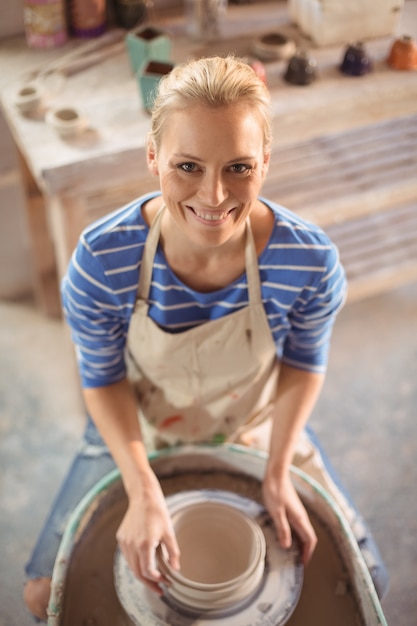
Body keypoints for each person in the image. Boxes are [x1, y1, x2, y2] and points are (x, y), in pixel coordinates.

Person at [24, 55, 348, 621]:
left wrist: (275, 471)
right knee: (44, 594)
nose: (215, 195)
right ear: (153, 158)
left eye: (240, 168)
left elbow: (304, 361)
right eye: (189, 166)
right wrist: (142, 488)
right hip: (142, 422)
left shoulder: (309, 259)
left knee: (359, 574)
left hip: (253, 421)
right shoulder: (103, 259)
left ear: (267, 161)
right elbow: (102, 378)